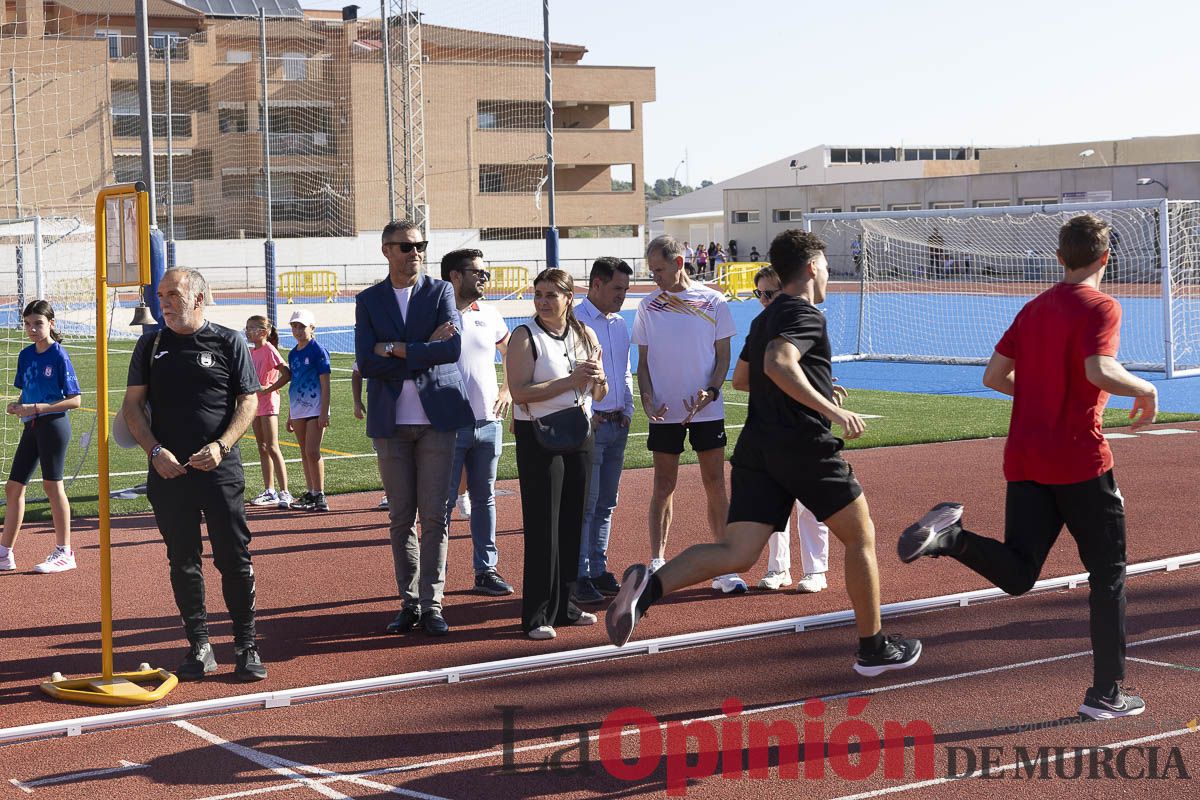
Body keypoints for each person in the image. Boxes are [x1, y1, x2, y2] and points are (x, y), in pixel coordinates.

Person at [608, 230, 923, 678]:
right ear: (812, 267)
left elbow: (743, 379)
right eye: (827, 267)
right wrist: (832, 409)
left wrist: (810, 384)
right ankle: (873, 648)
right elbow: (777, 362)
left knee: (738, 551)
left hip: (757, 449)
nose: (829, 274)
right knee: (860, 537)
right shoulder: (805, 315)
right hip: (804, 445)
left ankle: (649, 588)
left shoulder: (765, 317)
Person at [898, 213, 1156, 720]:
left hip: (1025, 459)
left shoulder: (1034, 308)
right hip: (1080, 459)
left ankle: (953, 539)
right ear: (1107, 258)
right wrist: (1145, 387)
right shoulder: (1101, 305)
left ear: (1059, 257)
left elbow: (994, 376)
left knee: (1019, 572)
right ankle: (1107, 694)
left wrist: (1039, 393)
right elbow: (1098, 369)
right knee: (1108, 576)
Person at [119, 267, 266, 681]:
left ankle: (245, 644)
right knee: (182, 560)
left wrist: (221, 447)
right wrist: (155, 451)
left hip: (220, 471)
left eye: (172, 294)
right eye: (161, 293)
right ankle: (199, 646)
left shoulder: (228, 340)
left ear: (199, 298)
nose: (163, 301)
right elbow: (132, 407)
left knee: (233, 559)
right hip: (169, 473)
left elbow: (248, 402)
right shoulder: (151, 344)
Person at [355, 219, 473, 638]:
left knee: (435, 518)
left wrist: (396, 347)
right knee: (401, 518)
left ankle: (433, 603)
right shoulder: (368, 300)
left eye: (420, 245)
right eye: (406, 246)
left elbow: (452, 348)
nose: (415, 252)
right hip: (391, 423)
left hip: (437, 420)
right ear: (387, 250)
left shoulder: (440, 291)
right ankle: (409, 603)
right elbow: (367, 363)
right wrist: (423, 348)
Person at [633, 235, 745, 593]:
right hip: (663, 413)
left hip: (706, 410)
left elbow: (723, 357)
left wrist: (711, 391)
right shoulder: (648, 306)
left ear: (679, 263)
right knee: (663, 485)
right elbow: (643, 363)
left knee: (715, 483)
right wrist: (646, 398)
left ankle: (725, 564)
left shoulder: (713, 301)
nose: (655, 278)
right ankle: (657, 559)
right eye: (652, 272)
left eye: (660, 270)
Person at [508, 268, 607, 639]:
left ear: (569, 297)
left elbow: (600, 392)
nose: (544, 301)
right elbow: (520, 392)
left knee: (571, 521)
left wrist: (597, 378)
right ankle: (536, 615)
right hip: (539, 436)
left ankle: (565, 606)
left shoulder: (585, 334)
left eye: (552, 294)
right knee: (542, 525)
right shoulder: (524, 336)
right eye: (539, 294)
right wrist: (571, 381)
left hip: (579, 432)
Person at [733, 268, 830, 593]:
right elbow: (740, 380)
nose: (763, 300)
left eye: (770, 293)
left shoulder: (804, 321)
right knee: (775, 506)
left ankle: (816, 571)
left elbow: (817, 374)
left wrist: (824, 393)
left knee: (811, 503)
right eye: (758, 293)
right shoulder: (759, 328)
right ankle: (778, 568)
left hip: (807, 429)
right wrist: (775, 390)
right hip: (772, 430)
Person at [440, 248, 515, 597]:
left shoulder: (491, 313)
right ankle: (433, 579)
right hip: (447, 426)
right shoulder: (435, 313)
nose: (485, 278)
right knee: (440, 504)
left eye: (485, 272)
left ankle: (486, 571)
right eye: (478, 272)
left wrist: (508, 388)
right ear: (456, 275)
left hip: (488, 423)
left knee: (484, 498)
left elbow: (513, 353)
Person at [0, 301, 82, 574]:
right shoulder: (25, 355)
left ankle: (64, 552)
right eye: (27, 324)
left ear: (51, 324)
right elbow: (28, 391)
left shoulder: (59, 355)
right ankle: (4, 553)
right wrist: (18, 405)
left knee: (52, 487)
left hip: (54, 426)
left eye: (38, 323)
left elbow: (75, 400)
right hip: (33, 426)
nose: (32, 329)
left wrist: (36, 408)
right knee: (13, 488)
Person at [573, 256, 635, 604]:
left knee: (607, 503)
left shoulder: (619, 324)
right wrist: (589, 413)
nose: (622, 295)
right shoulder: (577, 322)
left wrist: (626, 408)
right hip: (590, 425)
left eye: (625, 289)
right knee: (588, 503)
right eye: (616, 288)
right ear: (596, 284)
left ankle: (598, 568)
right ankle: (580, 573)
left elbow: (624, 369)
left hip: (617, 424)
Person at [245, 315, 293, 510]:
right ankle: (269, 490)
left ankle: (285, 491)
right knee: (262, 447)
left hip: (269, 402)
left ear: (263, 332)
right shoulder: (250, 352)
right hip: (256, 403)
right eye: (247, 328)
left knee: (272, 446)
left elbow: (286, 373)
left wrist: (269, 388)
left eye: (251, 328)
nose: (247, 331)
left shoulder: (269, 350)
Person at [286, 309, 331, 512]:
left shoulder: (318, 351)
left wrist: (324, 411)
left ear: (312, 328)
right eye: (294, 326)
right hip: (297, 410)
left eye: (301, 326)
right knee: (305, 452)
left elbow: (325, 384)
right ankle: (311, 492)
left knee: (313, 451)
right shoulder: (293, 353)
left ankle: (320, 494)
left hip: (315, 409)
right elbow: (294, 383)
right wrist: (289, 414)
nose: (297, 330)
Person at [351, 361, 387, 510]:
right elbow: (356, 373)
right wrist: (357, 402)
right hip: (379, 406)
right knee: (383, 453)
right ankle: (390, 493)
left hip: (405, 410)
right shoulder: (371, 346)